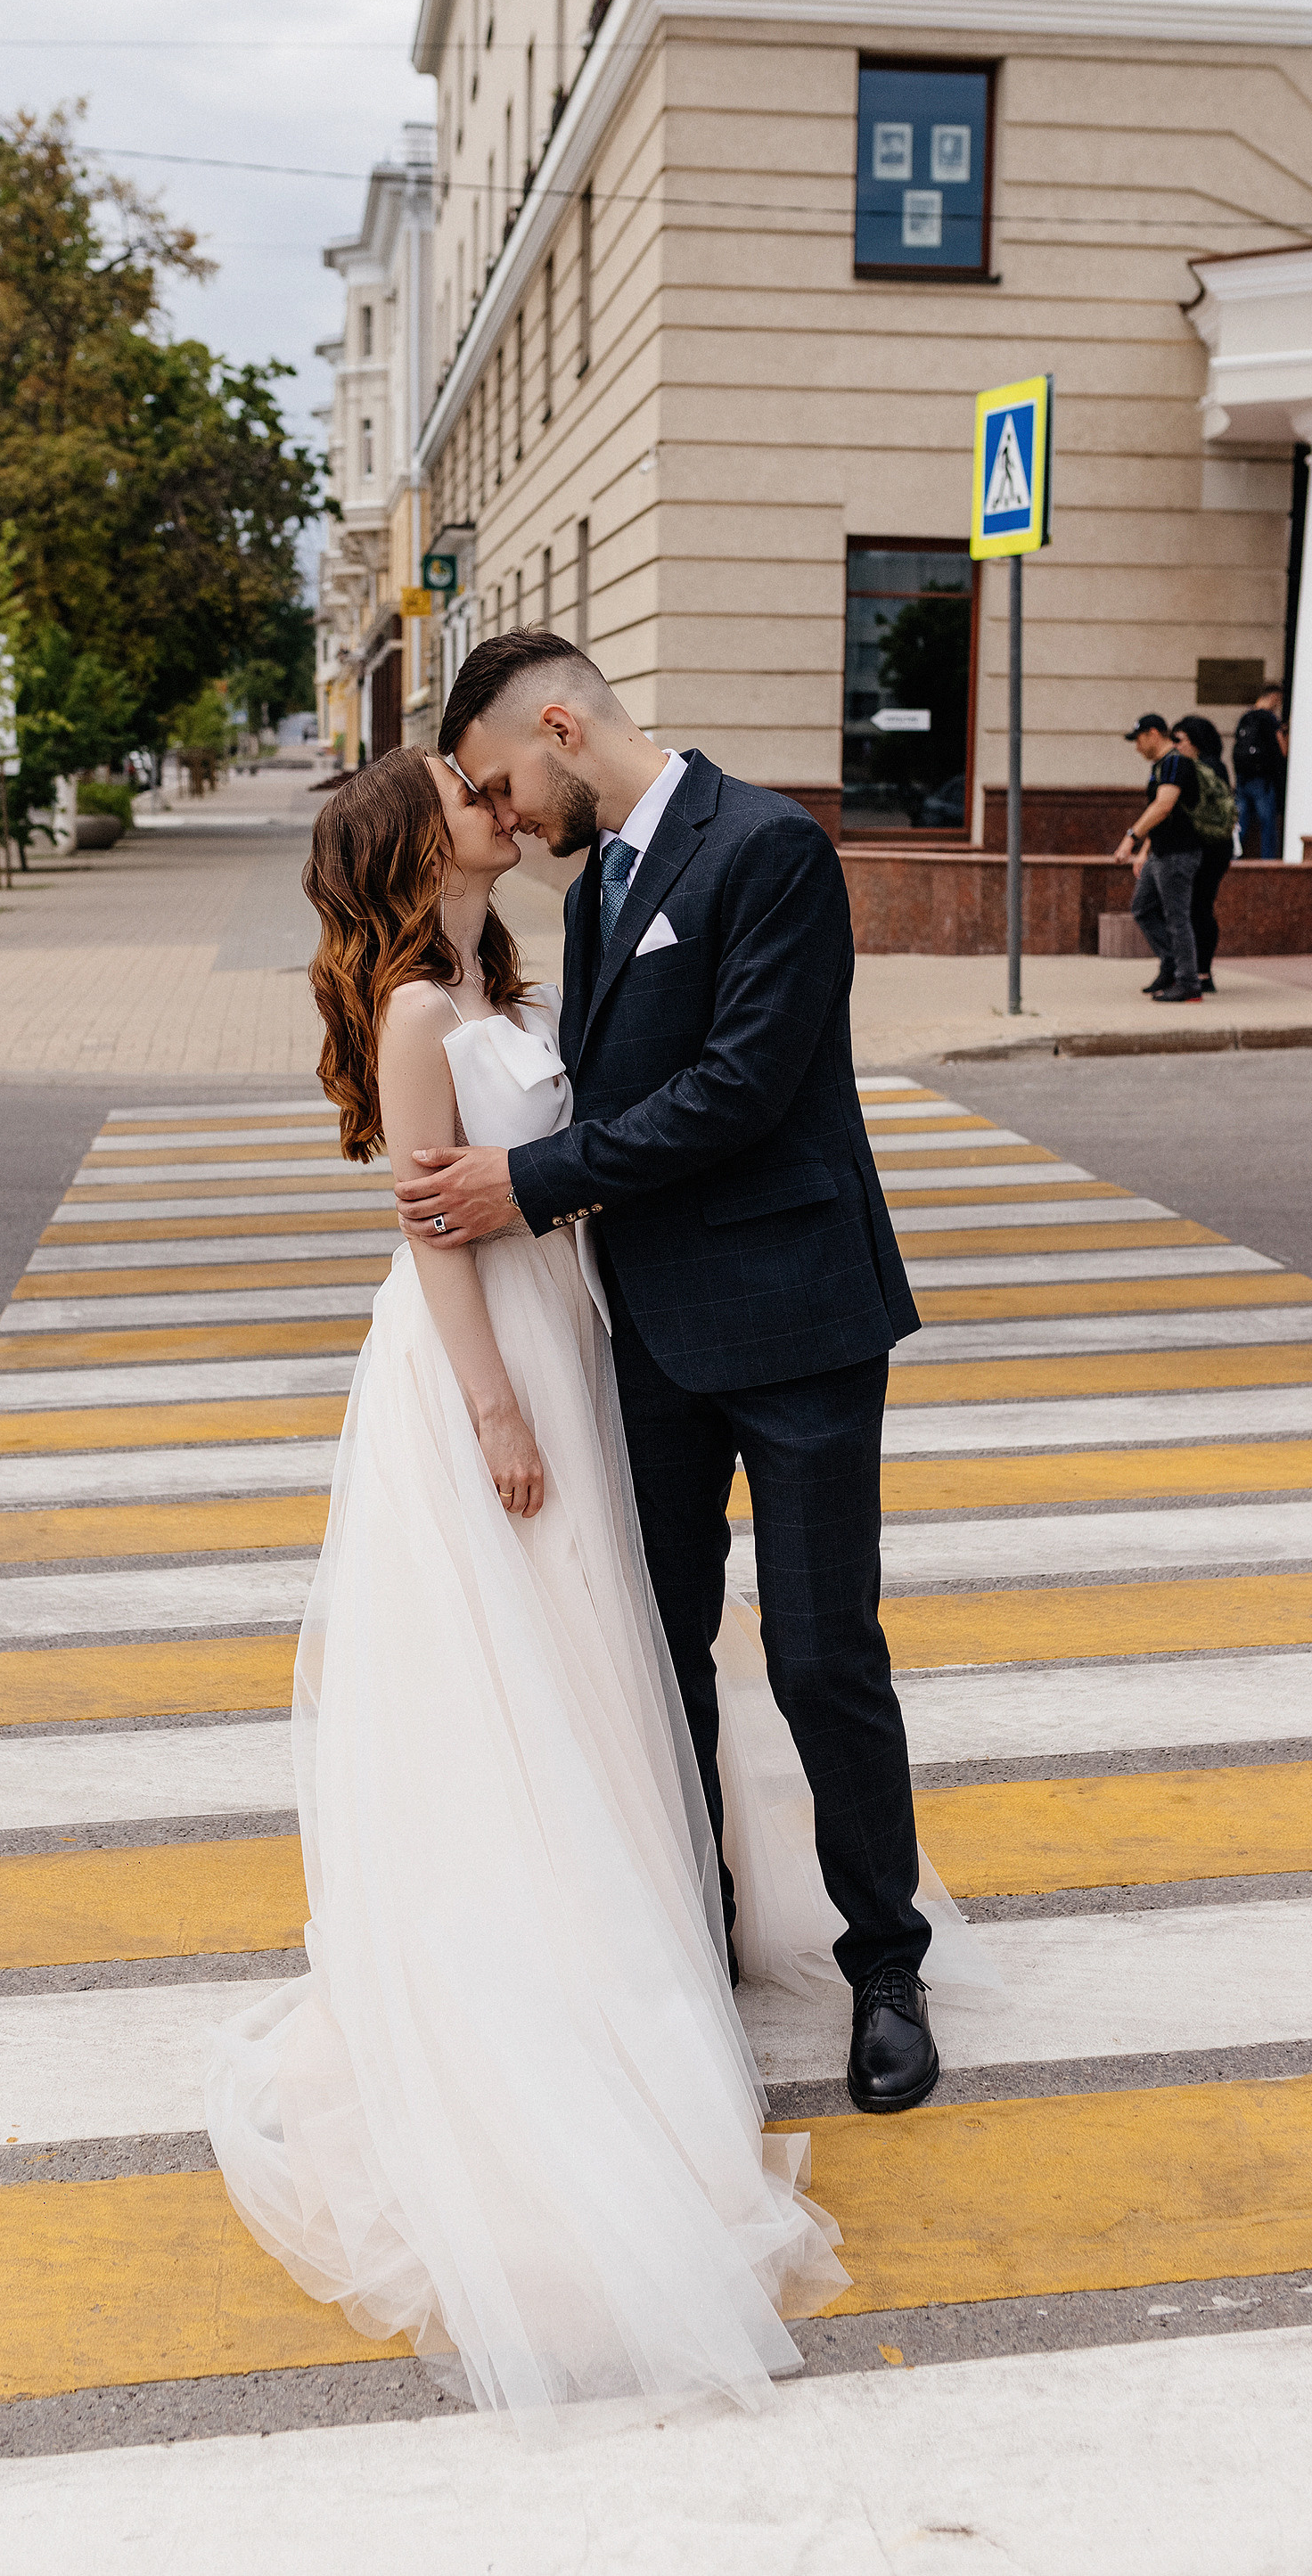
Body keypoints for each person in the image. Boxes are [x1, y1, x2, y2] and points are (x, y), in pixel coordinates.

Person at [395, 634, 973, 2122]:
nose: (507, 815)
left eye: (504, 779)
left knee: (823, 1652)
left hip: (799, 1320)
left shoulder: (770, 847)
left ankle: (888, 1968)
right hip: (646, 1334)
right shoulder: (596, 893)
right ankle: (696, 1931)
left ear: (564, 724)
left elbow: (740, 1085)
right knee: (659, 1646)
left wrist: (531, 1179)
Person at [1115, 711, 1202, 1003]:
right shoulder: (1162, 766)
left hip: (1178, 854)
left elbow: (1164, 806)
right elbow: (1162, 815)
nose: (1137, 746)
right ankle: (1170, 966)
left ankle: (1188, 982)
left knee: (1177, 918)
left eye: (1138, 739)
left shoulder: (1176, 762)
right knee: (1142, 908)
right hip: (1160, 852)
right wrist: (1144, 851)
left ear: (1153, 733)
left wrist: (1130, 838)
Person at [1173, 713, 1237, 995]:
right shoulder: (1216, 767)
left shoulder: (1203, 769)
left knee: (1198, 908)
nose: (1175, 745)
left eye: (1179, 740)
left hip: (1205, 848)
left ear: (1196, 742)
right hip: (1217, 847)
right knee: (1200, 907)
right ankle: (1201, 972)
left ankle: (1200, 972)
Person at [1231, 683, 1288, 862]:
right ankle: (1268, 861)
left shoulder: (1246, 717)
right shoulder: (1269, 718)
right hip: (1262, 781)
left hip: (1242, 779)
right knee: (1268, 823)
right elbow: (1283, 749)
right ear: (1273, 697)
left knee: (1240, 823)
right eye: (1277, 701)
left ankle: (1234, 857)